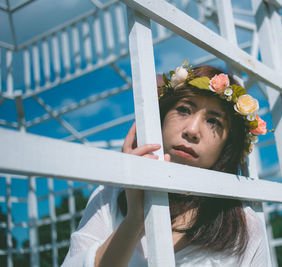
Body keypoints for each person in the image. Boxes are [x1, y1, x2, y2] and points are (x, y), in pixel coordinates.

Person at [62, 62, 270, 267]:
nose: (192, 130)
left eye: (214, 121)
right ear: (160, 119)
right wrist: (135, 220)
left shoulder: (245, 225)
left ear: (227, 145)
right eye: (184, 109)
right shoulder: (110, 195)